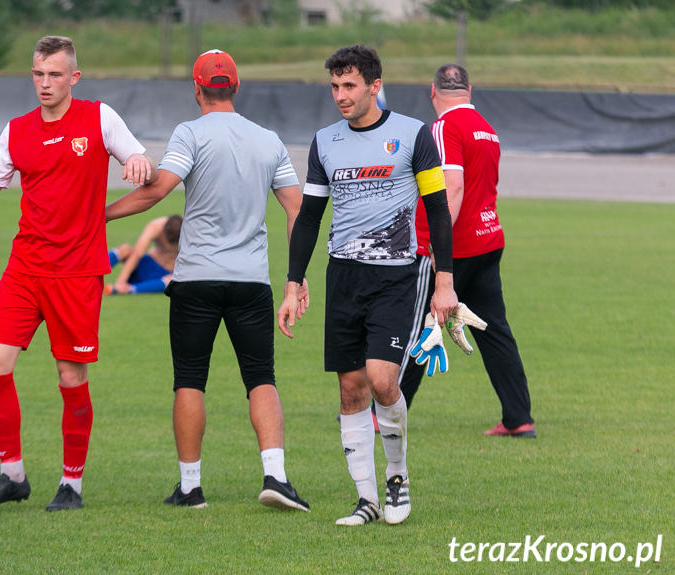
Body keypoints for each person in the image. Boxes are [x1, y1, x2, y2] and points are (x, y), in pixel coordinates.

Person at [0, 36, 155, 512]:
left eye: (55, 75)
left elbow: (145, 167)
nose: (45, 83)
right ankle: (12, 475)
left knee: (69, 374)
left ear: (73, 77)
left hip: (77, 272)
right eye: (38, 74)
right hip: (25, 268)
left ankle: (71, 485)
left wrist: (137, 160)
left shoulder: (99, 117)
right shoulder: (16, 130)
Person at [105, 49, 310, 512]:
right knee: (261, 377)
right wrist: (295, 278)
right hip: (251, 281)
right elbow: (296, 208)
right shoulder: (268, 139)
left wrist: (101, 214)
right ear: (235, 88)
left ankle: (191, 487)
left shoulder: (189, 133)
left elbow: (158, 189)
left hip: (196, 278)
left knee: (190, 380)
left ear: (196, 89)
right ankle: (275, 476)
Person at [277, 45, 458, 526]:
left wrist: (445, 281)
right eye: (335, 86)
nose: (341, 95)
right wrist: (293, 283)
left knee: (382, 381)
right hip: (344, 277)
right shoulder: (325, 142)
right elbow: (310, 217)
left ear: (374, 86)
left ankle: (396, 476)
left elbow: (438, 209)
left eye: (350, 86)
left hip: (397, 276)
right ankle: (367, 499)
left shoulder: (413, 135)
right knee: (350, 390)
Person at [398, 63, 535, 438]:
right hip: (488, 240)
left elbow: (452, 187)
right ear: (470, 91)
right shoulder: (487, 130)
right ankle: (518, 418)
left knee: (415, 325)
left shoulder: (443, 128)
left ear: (432, 92)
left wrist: (439, 247)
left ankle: (387, 413)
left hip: (455, 248)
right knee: (493, 330)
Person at [106, 214, 181, 295]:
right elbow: (137, 253)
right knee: (125, 249)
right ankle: (94, 270)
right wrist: (121, 281)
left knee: (173, 279)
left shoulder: (189, 232)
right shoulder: (156, 226)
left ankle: (129, 290)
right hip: (147, 265)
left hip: (163, 277)